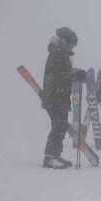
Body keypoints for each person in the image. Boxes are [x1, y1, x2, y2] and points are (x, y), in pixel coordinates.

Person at [41, 27, 86, 169]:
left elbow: (62, 74)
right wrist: (74, 75)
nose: (73, 47)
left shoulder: (59, 54)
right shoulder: (58, 54)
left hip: (58, 96)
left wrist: (75, 73)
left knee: (59, 125)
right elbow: (58, 77)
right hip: (56, 97)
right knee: (58, 126)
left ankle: (55, 155)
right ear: (65, 41)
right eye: (72, 44)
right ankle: (50, 157)